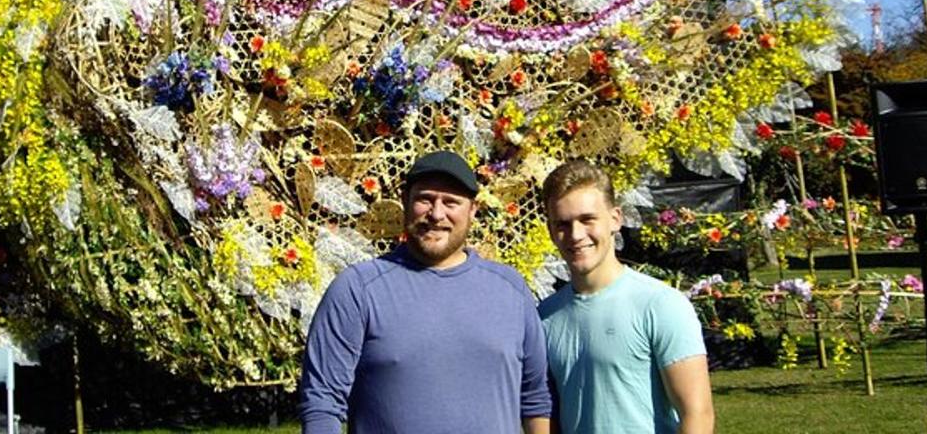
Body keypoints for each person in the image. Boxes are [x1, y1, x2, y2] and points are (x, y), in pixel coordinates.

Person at [298, 150, 552, 434]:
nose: (437, 213)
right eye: (425, 199)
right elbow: (322, 404)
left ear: (473, 210)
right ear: (405, 200)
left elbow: (535, 399)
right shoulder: (358, 290)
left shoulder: (510, 290)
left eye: (451, 202)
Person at [539, 160, 714, 434]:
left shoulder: (661, 305)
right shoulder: (544, 316)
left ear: (615, 219)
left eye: (587, 219)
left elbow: (698, 414)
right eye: (562, 224)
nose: (575, 235)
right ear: (550, 231)